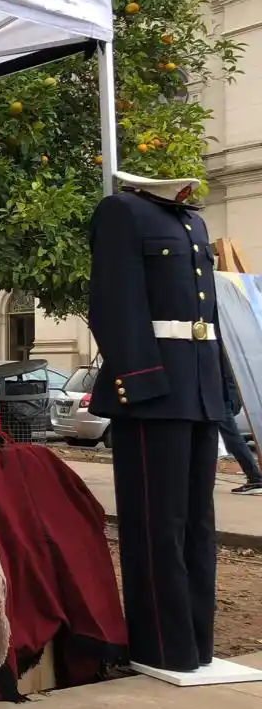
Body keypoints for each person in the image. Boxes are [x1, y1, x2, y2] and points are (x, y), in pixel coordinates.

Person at [87, 171, 222, 674]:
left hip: (198, 386)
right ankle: (160, 646)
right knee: (156, 523)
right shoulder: (123, 212)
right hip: (153, 388)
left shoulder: (194, 223)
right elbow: (114, 302)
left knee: (197, 525)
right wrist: (140, 377)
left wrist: (219, 385)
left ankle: (195, 644)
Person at [221, 361, 262, 495]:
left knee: (232, 438)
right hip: (223, 395)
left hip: (220, 396)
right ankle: (255, 478)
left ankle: (256, 478)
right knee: (231, 438)